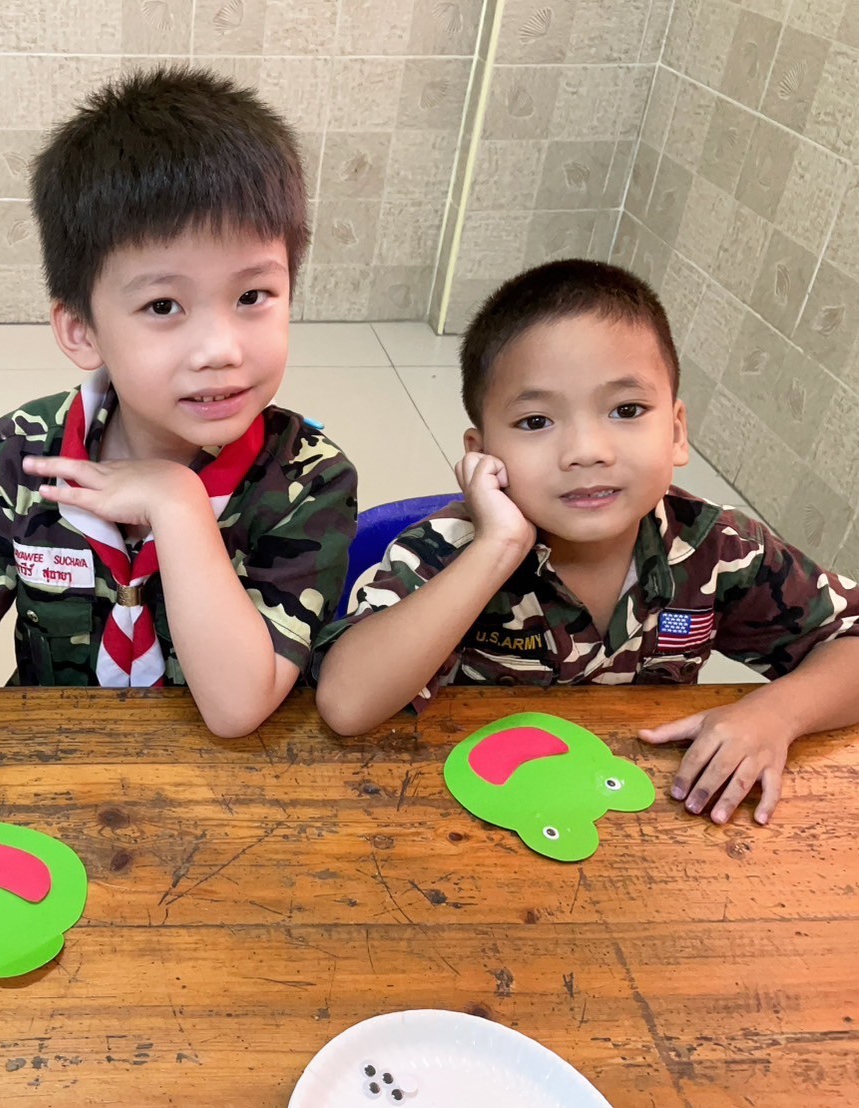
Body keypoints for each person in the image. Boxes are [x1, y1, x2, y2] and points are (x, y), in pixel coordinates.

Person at [0, 67, 357, 828]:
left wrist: (177, 503)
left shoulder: (310, 479)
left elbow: (238, 706)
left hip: (228, 793)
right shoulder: (14, 455)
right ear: (80, 330)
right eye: (163, 305)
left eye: (253, 296)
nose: (221, 349)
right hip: (51, 769)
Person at [315, 258, 859, 826]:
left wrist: (776, 714)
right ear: (480, 453)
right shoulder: (447, 550)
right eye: (535, 421)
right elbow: (347, 702)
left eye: (627, 410)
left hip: (643, 821)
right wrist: (496, 550)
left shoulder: (720, 548)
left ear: (676, 432)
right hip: (469, 819)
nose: (587, 451)